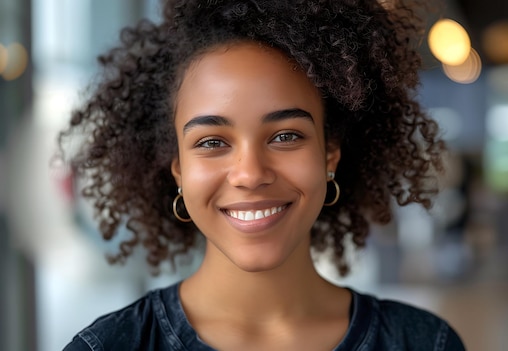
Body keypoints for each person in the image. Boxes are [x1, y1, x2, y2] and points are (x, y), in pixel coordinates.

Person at [59, 0, 465, 350]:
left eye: (286, 136)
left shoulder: (426, 343)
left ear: (330, 156)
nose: (250, 174)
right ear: (179, 170)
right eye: (212, 142)